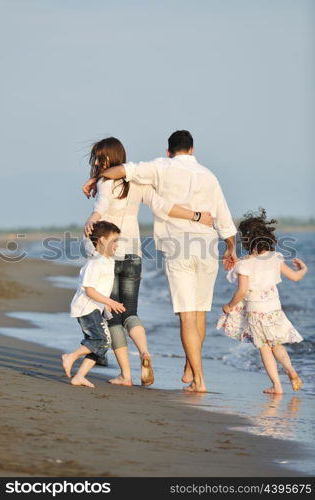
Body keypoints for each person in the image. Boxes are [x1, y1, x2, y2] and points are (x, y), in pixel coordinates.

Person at [83, 130, 237, 393]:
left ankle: (192, 378)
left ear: (168, 151)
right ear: (192, 149)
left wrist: (95, 184)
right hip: (204, 246)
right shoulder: (208, 176)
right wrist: (229, 246)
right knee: (197, 314)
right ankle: (187, 365)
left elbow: (115, 179)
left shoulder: (157, 167)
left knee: (177, 316)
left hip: (169, 249)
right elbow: (218, 214)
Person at [217, 208, 307, 395]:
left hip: (256, 314)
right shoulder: (275, 258)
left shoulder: (245, 264)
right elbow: (296, 277)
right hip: (275, 311)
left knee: (264, 349)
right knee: (277, 345)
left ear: (246, 241)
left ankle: (277, 385)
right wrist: (303, 269)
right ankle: (291, 371)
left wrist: (229, 306)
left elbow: (241, 291)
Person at [62, 221, 125, 388]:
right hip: (86, 308)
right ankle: (71, 356)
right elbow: (89, 290)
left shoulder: (107, 260)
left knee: (101, 344)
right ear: (103, 240)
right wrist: (110, 301)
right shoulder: (95, 262)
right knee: (101, 341)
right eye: (115, 240)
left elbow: (101, 288)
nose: (117, 245)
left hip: (95, 308)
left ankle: (79, 376)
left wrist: (106, 305)